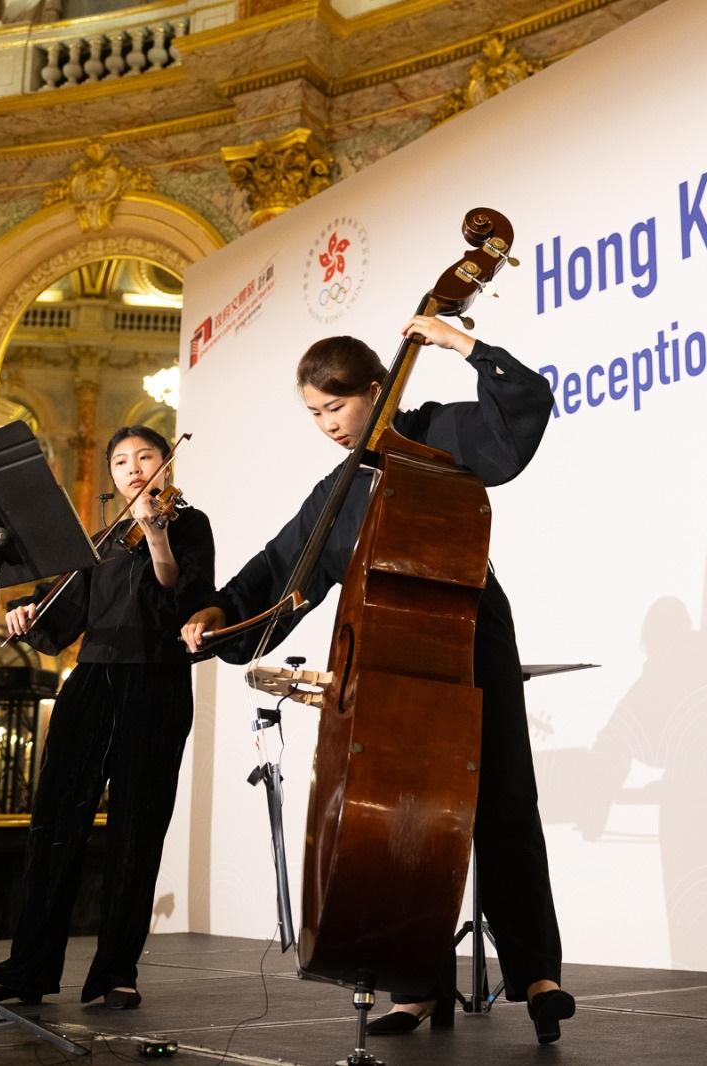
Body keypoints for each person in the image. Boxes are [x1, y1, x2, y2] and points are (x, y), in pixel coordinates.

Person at [181, 315, 574, 1044]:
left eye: (336, 407)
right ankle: (418, 986)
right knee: (404, 823)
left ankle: (539, 972)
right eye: (314, 414)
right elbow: (282, 572)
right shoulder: (337, 489)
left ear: (376, 388)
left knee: (505, 802)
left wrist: (465, 346)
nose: (327, 425)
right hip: (389, 670)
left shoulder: (434, 435)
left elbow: (520, 416)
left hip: (468, 631)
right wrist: (220, 615)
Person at [0, 426, 214, 1010]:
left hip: (155, 683)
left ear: (166, 464)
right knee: (55, 825)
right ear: (111, 474)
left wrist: (157, 536)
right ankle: (27, 969)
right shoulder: (100, 539)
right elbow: (63, 615)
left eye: (146, 457)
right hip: (90, 682)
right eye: (121, 461)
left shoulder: (190, 524)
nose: (133, 468)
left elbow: (181, 598)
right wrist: (28, 612)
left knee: (137, 830)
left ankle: (115, 972)